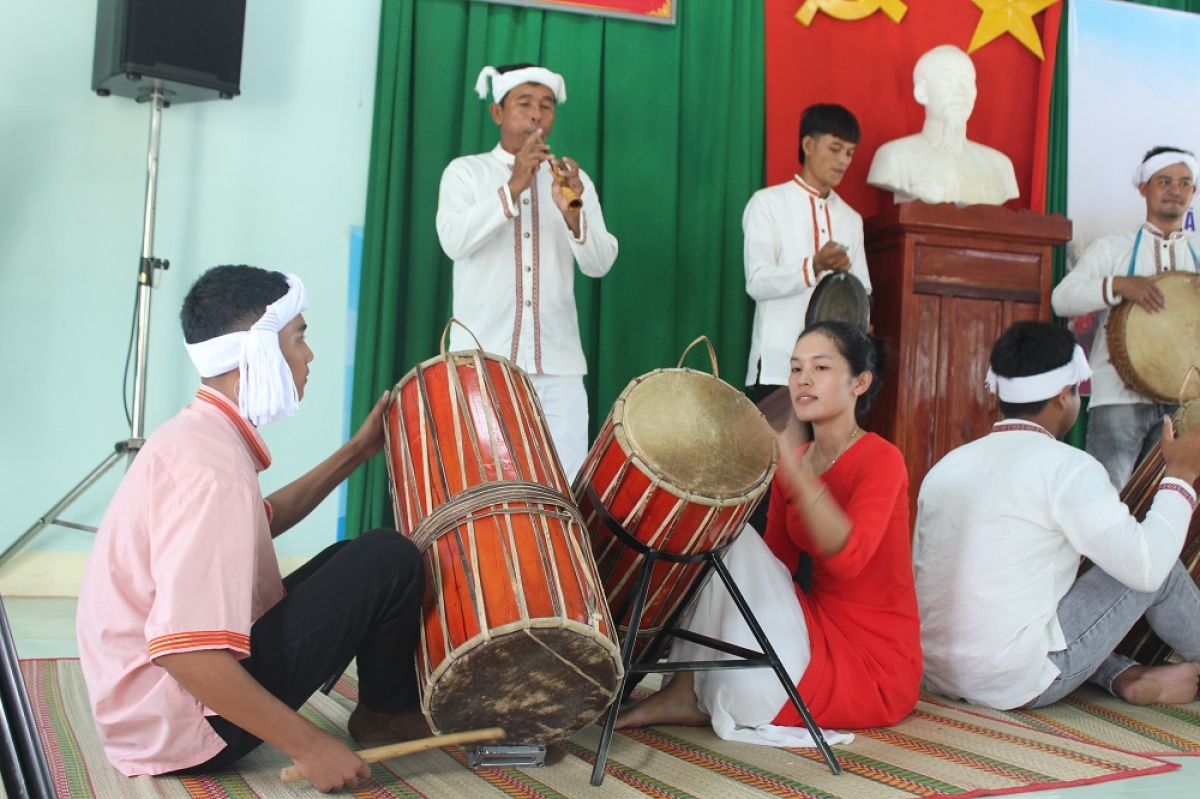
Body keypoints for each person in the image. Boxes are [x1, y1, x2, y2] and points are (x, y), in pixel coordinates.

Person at [77, 266, 427, 791]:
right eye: (300, 338)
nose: (310, 356)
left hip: (145, 713)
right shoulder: (212, 474)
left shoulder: (197, 435)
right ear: (256, 354)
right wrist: (310, 745)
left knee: (351, 555)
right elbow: (183, 651)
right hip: (184, 726)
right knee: (388, 557)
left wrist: (356, 451)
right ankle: (384, 715)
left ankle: (381, 711)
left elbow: (261, 520)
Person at [618, 321, 921, 746]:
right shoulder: (794, 459)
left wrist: (797, 477)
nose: (804, 380)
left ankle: (697, 693)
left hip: (872, 661)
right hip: (815, 623)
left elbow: (850, 557)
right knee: (723, 534)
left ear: (860, 382)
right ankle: (684, 691)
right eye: (796, 369)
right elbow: (777, 566)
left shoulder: (881, 459)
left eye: (821, 368)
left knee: (735, 545)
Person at [913, 321, 1200, 711]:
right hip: (1012, 679)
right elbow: (1147, 569)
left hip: (937, 672)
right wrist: (1180, 475)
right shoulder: (1069, 467)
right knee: (1153, 564)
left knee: (1066, 571)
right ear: (1066, 396)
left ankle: (1122, 675)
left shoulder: (947, 465)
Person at [436, 63, 618, 481]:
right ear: (497, 113)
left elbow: (600, 262)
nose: (537, 115)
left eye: (546, 105)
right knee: (483, 480)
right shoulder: (466, 173)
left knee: (566, 480)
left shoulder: (572, 178)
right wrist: (513, 186)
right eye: (524, 104)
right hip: (483, 359)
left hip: (559, 365)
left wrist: (573, 213)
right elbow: (454, 241)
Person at [1051, 147, 1200, 489]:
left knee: (1171, 496)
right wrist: (1116, 285)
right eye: (1164, 181)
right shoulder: (1112, 248)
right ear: (1143, 188)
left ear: (1193, 192)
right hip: (1118, 398)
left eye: (1185, 183)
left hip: (1185, 402)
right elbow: (1062, 299)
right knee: (1106, 495)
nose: (1175, 190)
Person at [743, 103, 872, 402]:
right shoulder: (767, 204)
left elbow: (862, 291)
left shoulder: (851, 219)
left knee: (827, 451)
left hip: (835, 374)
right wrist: (813, 266)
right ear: (809, 144)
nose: (843, 160)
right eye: (836, 148)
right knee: (779, 451)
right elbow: (757, 282)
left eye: (850, 153)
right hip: (779, 366)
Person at [867, 44, 1019, 206]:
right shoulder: (895, 157)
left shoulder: (1000, 166)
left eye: (968, 82)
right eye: (949, 81)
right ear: (922, 92)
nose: (961, 91)